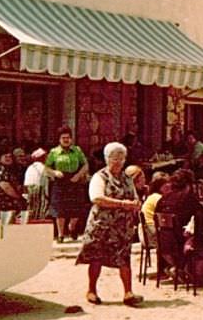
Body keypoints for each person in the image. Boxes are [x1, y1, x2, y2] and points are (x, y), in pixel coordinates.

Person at [75, 142, 144, 307]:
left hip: (122, 226)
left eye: (122, 159)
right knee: (96, 257)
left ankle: (128, 293)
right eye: (115, 159)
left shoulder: (127, 178)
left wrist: (135, 204)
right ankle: (91, 290)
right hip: (101, 224)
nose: (119, 162)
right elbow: (96, 198)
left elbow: (134, 196)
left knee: (124, 258)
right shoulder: (99, 177)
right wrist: (122, 204)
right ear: (107, 159)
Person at [154, 168, 203, 271]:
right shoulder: (188, 198)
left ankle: (175, 268)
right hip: (179, 241)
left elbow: (156, 217)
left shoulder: (163, 198)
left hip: (163, 241)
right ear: (188, 184)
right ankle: (193, 269)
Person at [46, 126, 89, 242]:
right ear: (59, 139)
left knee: (76, 207)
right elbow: (46, 167)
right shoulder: (54, 152)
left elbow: (85, 165)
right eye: (63, 138)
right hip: (60, 181)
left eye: (68, 138)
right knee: (60, 209)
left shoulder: (77, 150)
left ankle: (72, 227)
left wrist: (78, 175)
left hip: (74, 179)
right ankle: (60, 234)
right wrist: (54, 172)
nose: (66, 140)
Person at [0, 147, 27, 215]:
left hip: (8, 206)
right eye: (5, 156)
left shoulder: (8, 169)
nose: (8, 158)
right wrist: (19, 198)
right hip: (1, 206)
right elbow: (6, 188)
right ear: (0, 158)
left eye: (10, 156)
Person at [139, 173, 171, 249]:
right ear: (160, 186)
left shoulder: (152, 196)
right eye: (167, 184)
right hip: (152, 235)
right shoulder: (158, 198)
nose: (170, 186)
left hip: (147, 234)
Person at [24, 147, 53, 219]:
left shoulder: (30, 167)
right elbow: (52, 177)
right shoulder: (42, 167)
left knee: (31, 209)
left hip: (29, 190)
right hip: (39, 190)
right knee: (40, 208)